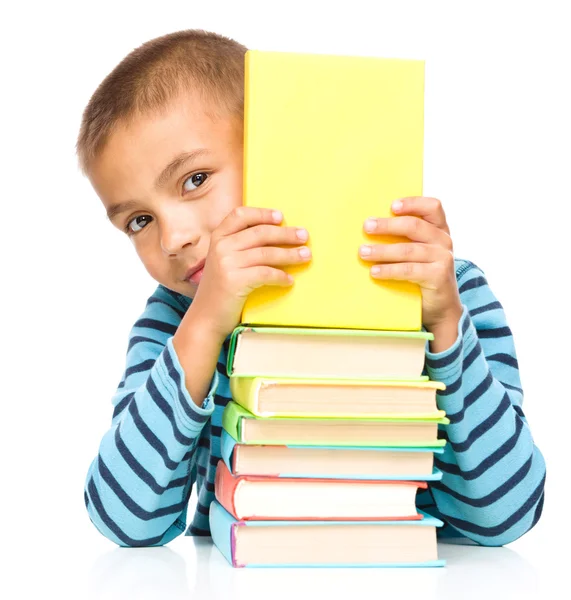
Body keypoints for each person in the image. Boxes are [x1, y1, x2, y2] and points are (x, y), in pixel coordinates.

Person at [78, 29, 546, 548]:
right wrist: (204, 327)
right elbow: (124, 522)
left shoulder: (452, 293)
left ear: (275, 145)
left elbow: (511, 512)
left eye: (194, 180)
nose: (174, 238)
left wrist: (443, 327)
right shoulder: (175, 321)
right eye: (139, 220)